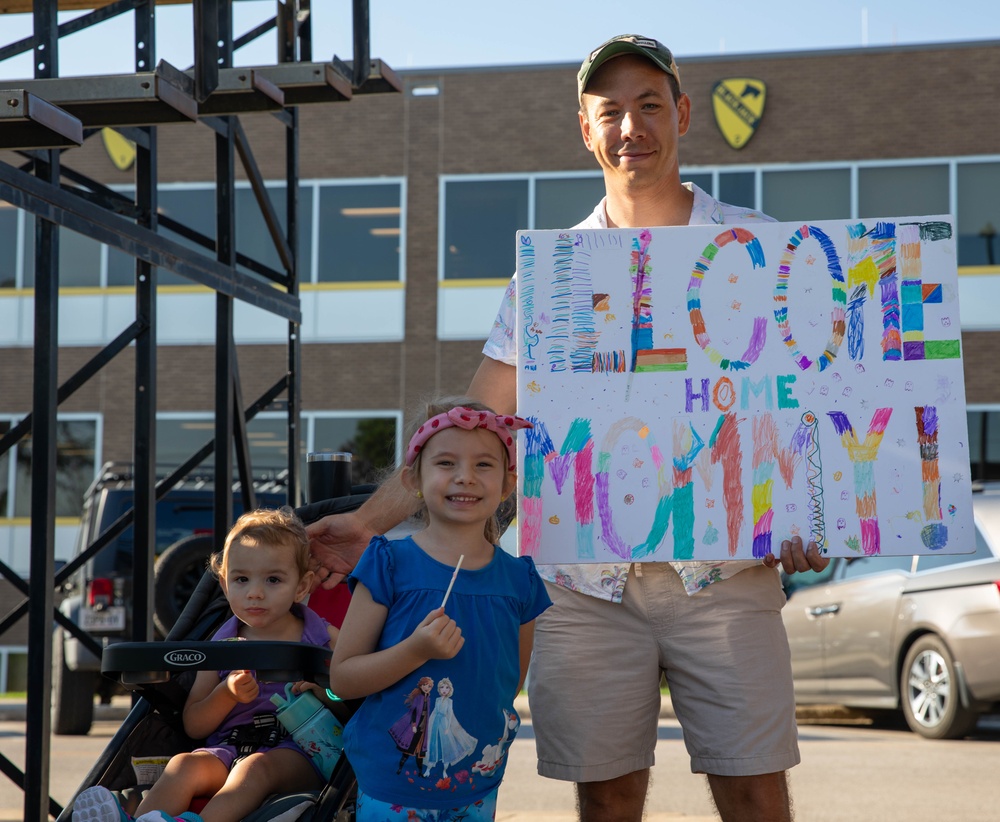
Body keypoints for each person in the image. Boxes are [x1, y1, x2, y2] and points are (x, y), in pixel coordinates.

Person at [307, 34, 830, 822]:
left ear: (682, 114)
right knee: (608, 795)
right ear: (586, 131)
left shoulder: (759, 247)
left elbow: (811, 401)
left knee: (755, 791)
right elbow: (476, 424)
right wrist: (369, 522)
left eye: (650, 105)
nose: (632, 126)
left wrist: (814, 517)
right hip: (587, 586)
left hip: (725, 575)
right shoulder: (552, 271)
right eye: (610, 111)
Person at [327, 398, 551, 822]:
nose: (465, 476)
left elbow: (509, 685)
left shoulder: (520, 580)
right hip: (390, 784)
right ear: (414, 479)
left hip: (478, 784)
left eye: (484, 465)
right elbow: (344, 678)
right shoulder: (388, 564)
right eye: (446, 463)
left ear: (507, 483)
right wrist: (415, 650)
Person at [74, 507, 338, 822]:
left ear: (301, 586)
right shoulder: (220, 645)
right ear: (224, 586)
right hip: (227, 747)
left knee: (253, 769)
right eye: (241, 579)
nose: (255, 593)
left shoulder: (322, 637)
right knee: (182, 765)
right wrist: (226, 694)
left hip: (299, 751)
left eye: (273, 579)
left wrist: (324, 689)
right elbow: (195, 724)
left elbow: (358, 688)